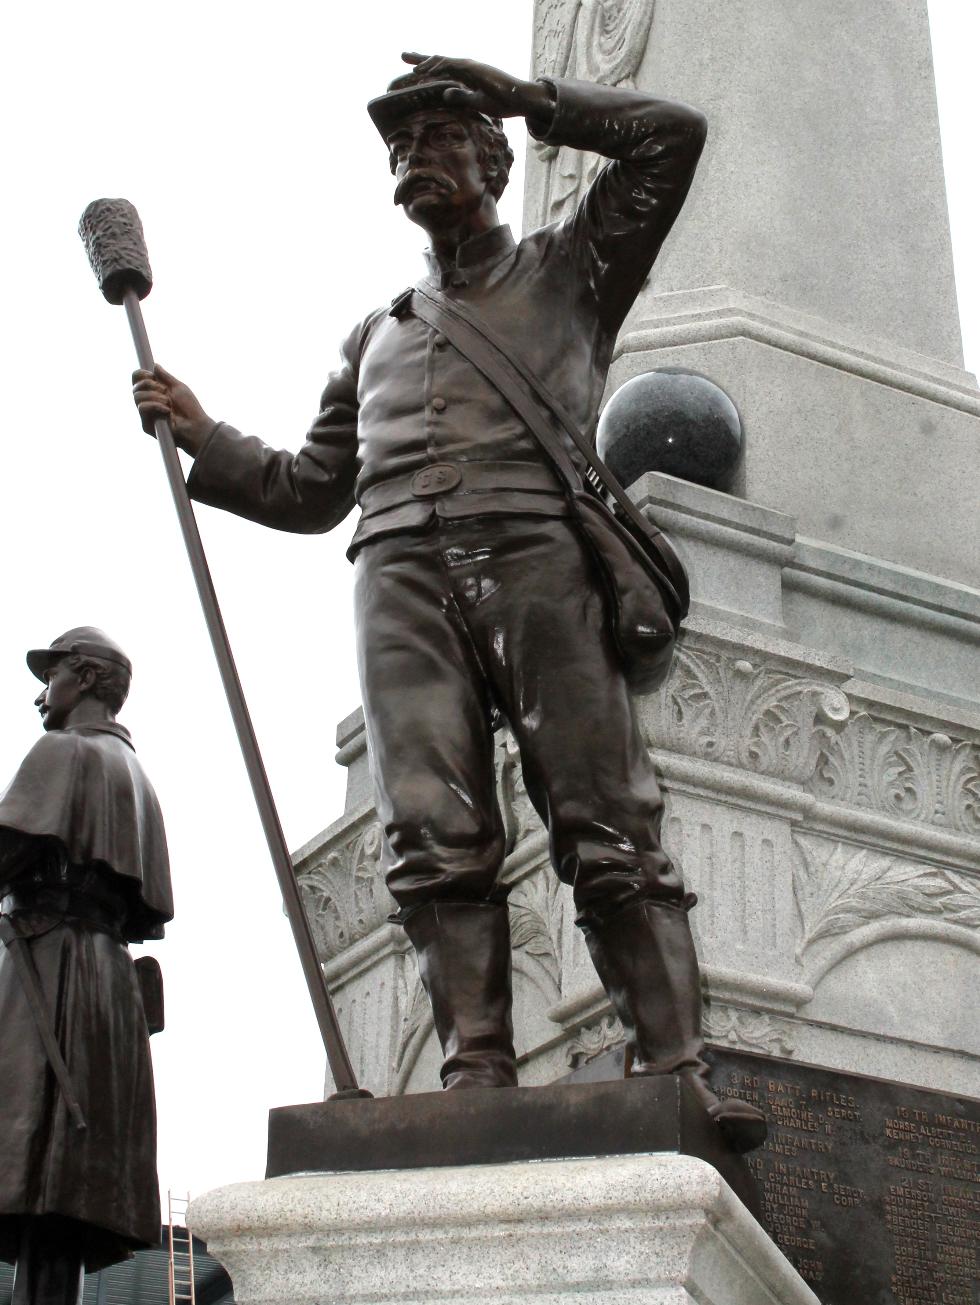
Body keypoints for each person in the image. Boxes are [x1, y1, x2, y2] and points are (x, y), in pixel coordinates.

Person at [132, 53, 765, 1148]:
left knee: (602, 816)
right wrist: (203, 435)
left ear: (491, 154)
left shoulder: (575, 267)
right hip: (394, 576)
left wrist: (531, 96)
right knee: (430, 835)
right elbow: (309, 488)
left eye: (432, 140)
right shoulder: (373, 336)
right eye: (397, 152)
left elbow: (673, 134)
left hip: (533, 553)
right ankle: (474, 1068)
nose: (408, 165)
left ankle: (675, 1063)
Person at [0, 628, 173, 1305]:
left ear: (84, 677)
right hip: (106, 982)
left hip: (53, 966)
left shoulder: (62, 752)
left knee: (40, 1165)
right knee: (62, 1190)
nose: (40, 694)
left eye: (51, 677)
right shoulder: (138, 778)